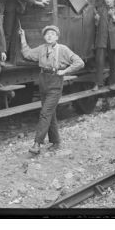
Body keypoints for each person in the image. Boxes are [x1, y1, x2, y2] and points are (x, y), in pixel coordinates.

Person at [19, 25, 84, 154]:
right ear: (44, 37)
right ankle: (56, 141)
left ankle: (37, 144)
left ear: (57, 37)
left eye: (52, 34)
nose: (49, 36)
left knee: (45, 113)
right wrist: (22, 37)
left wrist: (65, 71)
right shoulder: (41, 49)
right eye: (47, 34)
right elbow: (27, 54)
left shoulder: (63, 49)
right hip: (43, 80)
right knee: (50, 113)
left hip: (55, 81)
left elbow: (79, 62)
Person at [93, 0, 115, 108]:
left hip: (113, 40)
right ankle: (99, 84)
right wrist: (96, 21)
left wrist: (114, 17)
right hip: (102, 39)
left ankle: (113, 84)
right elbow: (97, 25)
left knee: (112, 64)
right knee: (99, 61)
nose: (108, 0)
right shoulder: (100, 10)